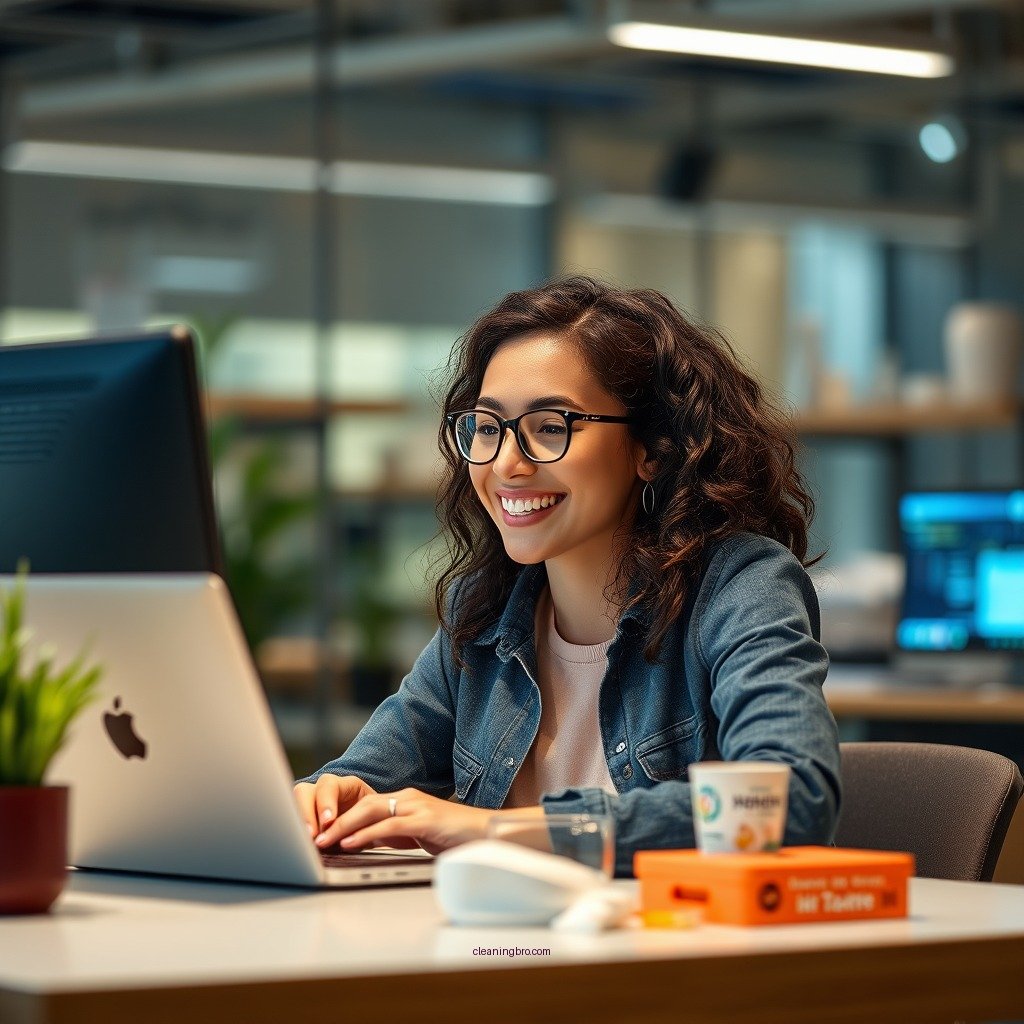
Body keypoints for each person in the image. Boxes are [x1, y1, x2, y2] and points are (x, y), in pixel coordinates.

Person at [294, 276, 841, 877]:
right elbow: (362, 780)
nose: (507, 464)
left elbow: (790, 800)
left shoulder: (741, 586)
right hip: (511, 956)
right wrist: (321, 799)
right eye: (487, 426)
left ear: (652, 446)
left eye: (550, 427)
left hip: (675, 956)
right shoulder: (485, 611)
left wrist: (495, 829)